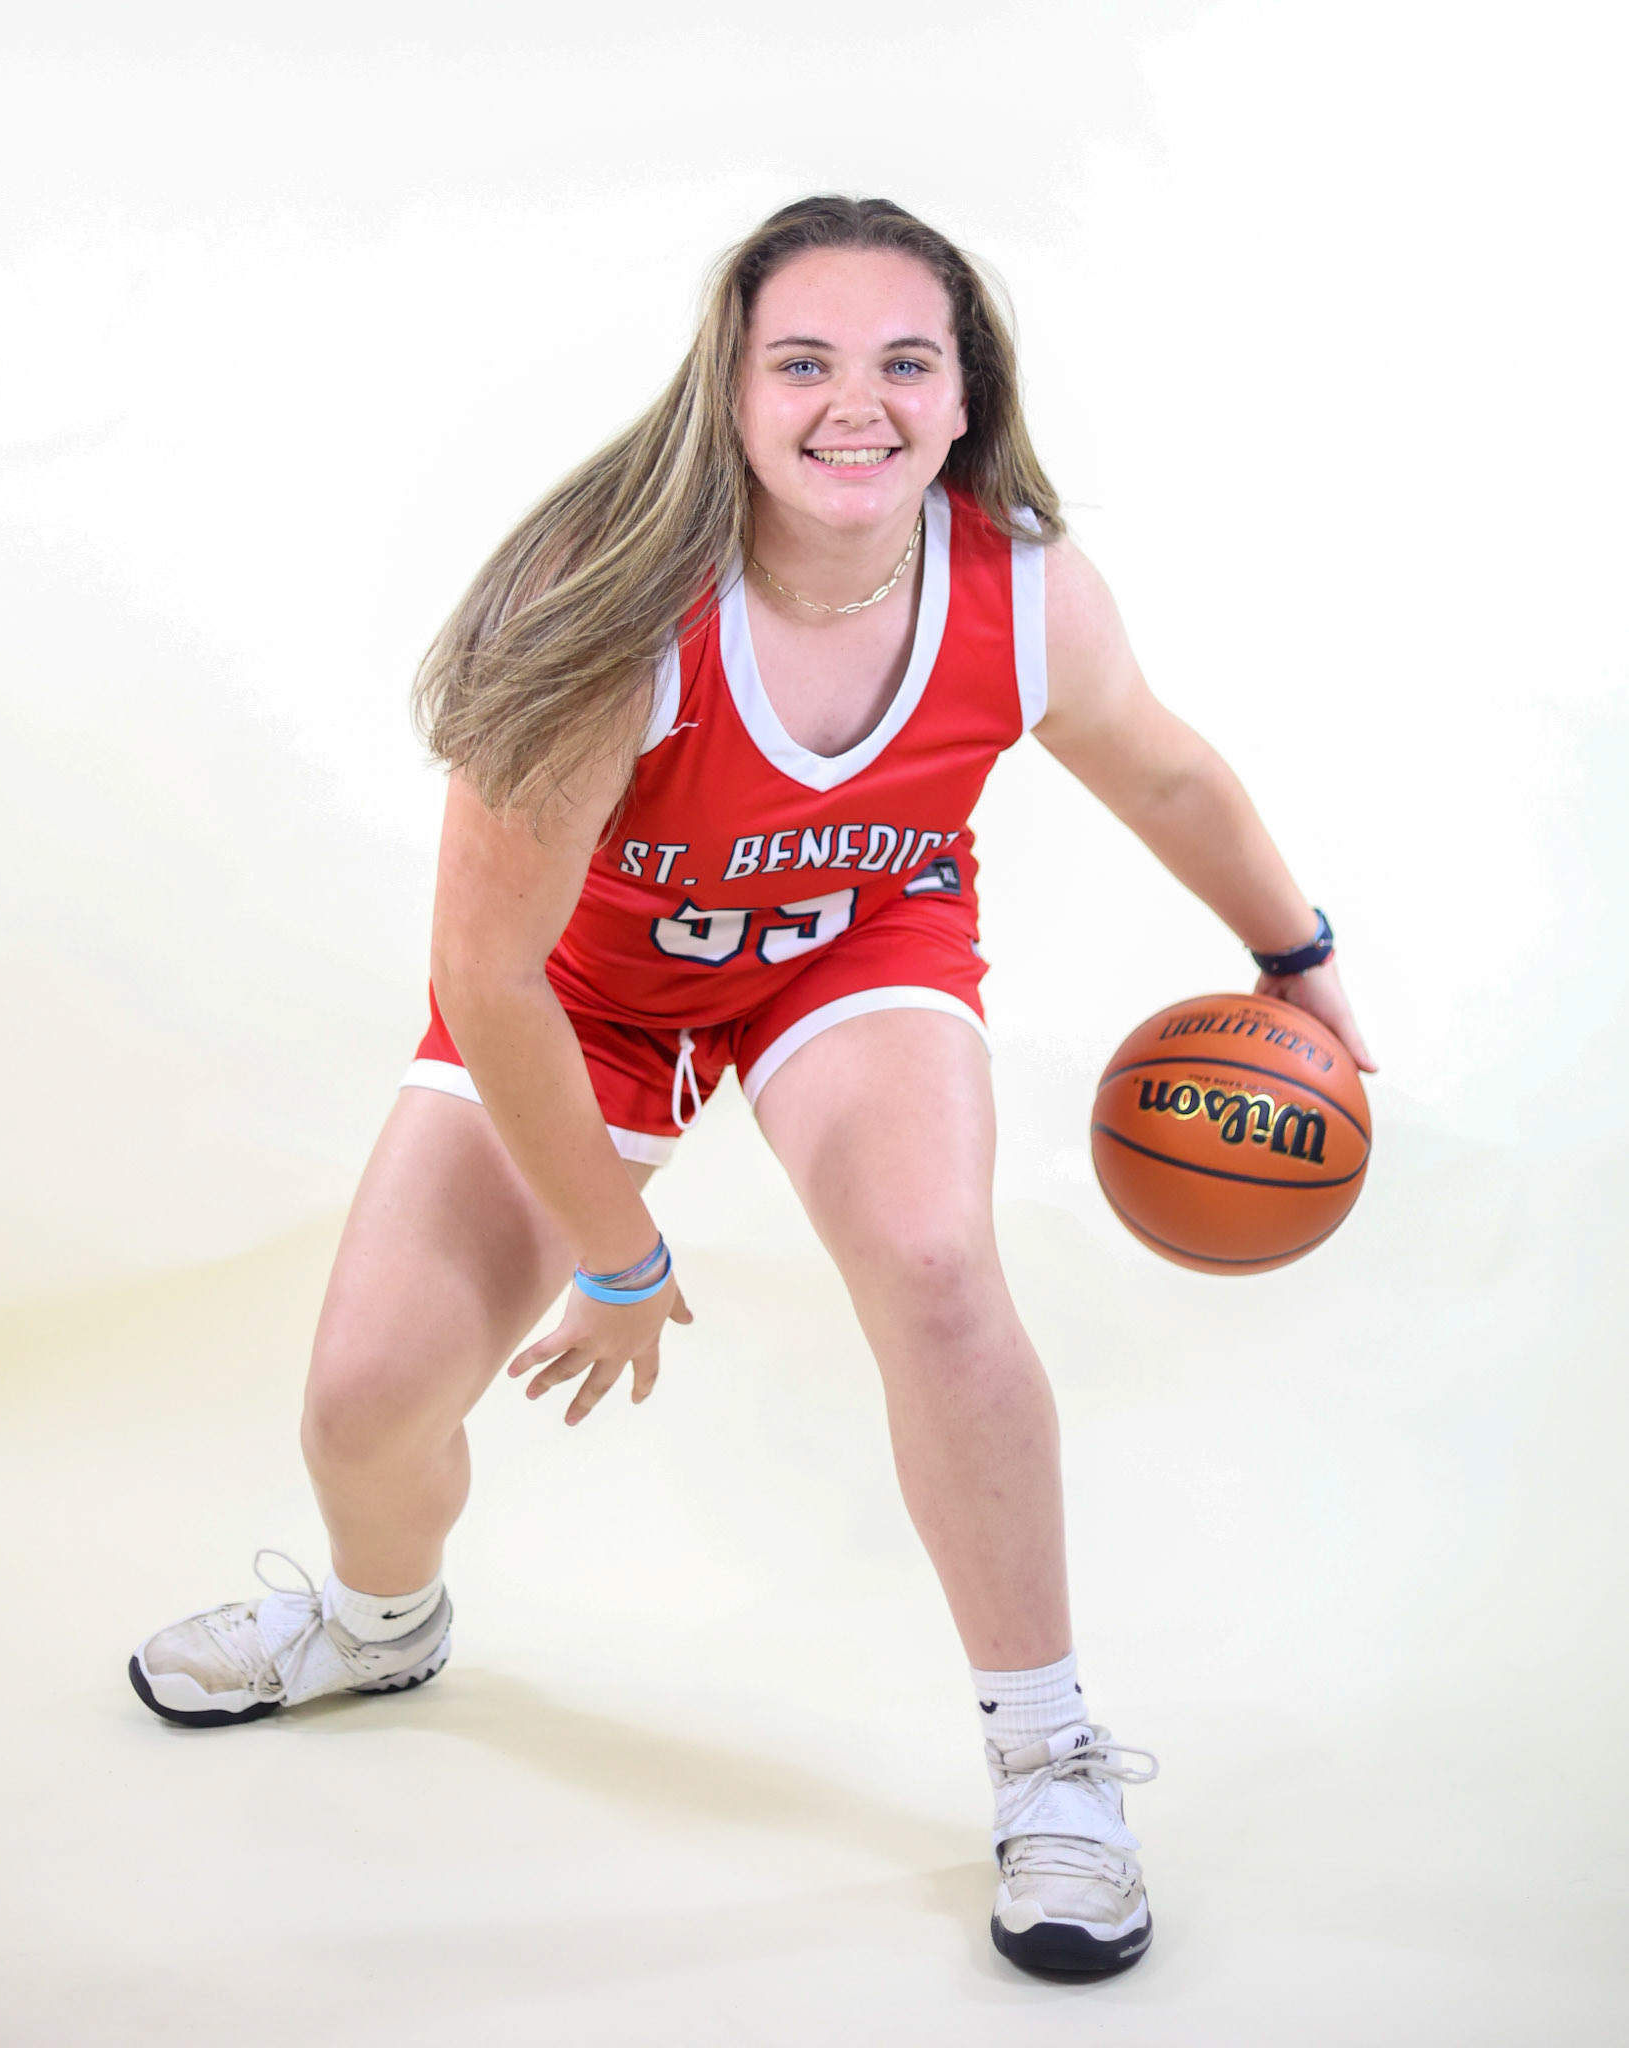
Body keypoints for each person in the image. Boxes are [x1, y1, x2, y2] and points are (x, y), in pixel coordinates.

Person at [127, 195, 1373, 1977]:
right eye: (802, 360)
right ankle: (374, 1619)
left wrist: (1294, 952)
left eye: (902, 363)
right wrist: (617, 1255)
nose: (851, 403)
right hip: (588, 994)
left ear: (963, 401)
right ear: (728, 387)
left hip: (849, 950)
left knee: (941, 1279)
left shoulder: (1023, 594)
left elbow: (1164, 776)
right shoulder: (602, 601)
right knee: (366, 1398)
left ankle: (1051, 1762)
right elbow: (487, 974)